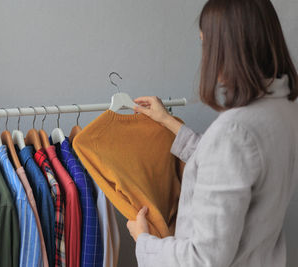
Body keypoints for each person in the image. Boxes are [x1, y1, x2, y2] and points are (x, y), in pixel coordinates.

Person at [127, 0, 298, 266]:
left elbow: (204, 259)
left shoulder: (234, 132)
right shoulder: (284, 109)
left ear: (227, 47)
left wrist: (144, 243)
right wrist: (168, 122)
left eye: (206, 43)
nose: (205, 54)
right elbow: (235, 166)